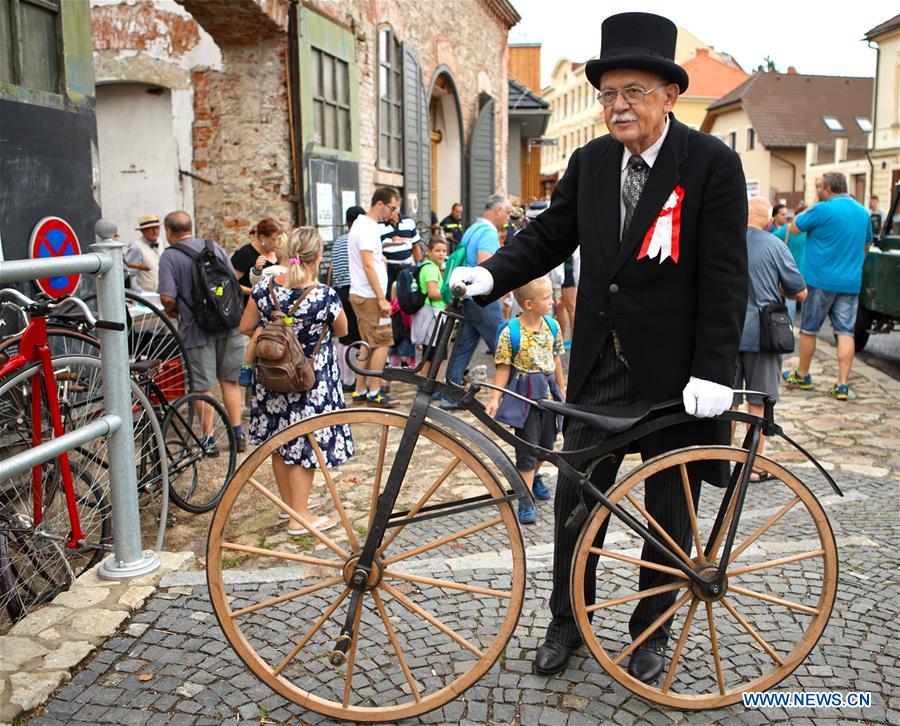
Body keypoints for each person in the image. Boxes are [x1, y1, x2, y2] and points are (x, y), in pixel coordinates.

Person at [450, 12, 747, 682]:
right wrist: (493, 272)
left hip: (675, 377)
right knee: (576, 506)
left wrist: (713, 368)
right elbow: (550, 236)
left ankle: (651, 633)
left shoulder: (711, 166)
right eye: (610, 93)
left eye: (634, 91)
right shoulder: (590, 161)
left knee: (669, 514)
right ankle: (568, 624)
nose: (619, 105)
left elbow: (726, 277)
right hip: (598, 371)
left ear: (670, 95)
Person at [239, 227, 352, 534]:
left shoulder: (264, 290)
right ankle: (300, 518)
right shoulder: (323, 296)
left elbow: (245, 325)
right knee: (305, 444)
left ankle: (290, 506)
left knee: (280, 441)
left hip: (272, 376)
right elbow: (342, 331)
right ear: (317, 257)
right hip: (309, 379)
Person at [157, 211, 248, 452]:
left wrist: (173, 308)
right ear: (191, 227)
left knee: (203, 387)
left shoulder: (170, 257)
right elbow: (232, 282)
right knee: (230, 382)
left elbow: (166, 296)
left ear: (169, 232)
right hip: (229, 325)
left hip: (197, 330)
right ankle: (237, 434)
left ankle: (208, 440)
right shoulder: (213, 247)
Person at [732, 197, 807, 472]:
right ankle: (753, 467)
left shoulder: (725, 241)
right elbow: (798, 291)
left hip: (726, 332)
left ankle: (722, 461)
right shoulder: (776, 245)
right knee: (758, 404)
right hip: (763, 335)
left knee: (727, 402)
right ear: (767, 219)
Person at [783, 172, 872, 400]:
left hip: (819, 280)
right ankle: (842, 384)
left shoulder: (821, 209)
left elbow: (793, 228)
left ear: (827, 188)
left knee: (809, 329)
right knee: (845, 332)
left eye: (819, 186)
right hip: (850, 282)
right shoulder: (863, 212)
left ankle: (802, 375)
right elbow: (866, 245)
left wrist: (813, 202)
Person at [485, 276, 565, 524]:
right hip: (524, 397)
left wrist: (563, 390)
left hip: (549, 394)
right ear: (528, 304)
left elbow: (557, 360)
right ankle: (525, 497)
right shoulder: (511, 332)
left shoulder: (552, 326)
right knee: (527, 449)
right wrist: (495, 398)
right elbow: (502, 368)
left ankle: (534, 476)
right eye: (546, 298)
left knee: (546, 446)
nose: (552, 301)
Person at [440, 194, 513, 411]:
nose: (508, 218)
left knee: (463, 345)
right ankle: (513, 395)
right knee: (502, 346)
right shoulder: (489, 232)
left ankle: (450, 394)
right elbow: (485, 265)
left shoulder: (472, 229)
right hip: (482, 298)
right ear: (498, 210)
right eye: (508, 212)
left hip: (466, 296)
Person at [348, 187, 399, 406]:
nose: (393, 212)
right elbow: (367, 264)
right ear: (380, 204)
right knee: (382, 340)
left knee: (367, 342)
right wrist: (381, 298)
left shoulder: (361, 225)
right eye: (392, 207)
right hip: (369, 295)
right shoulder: (368, 228)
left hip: (363, 293)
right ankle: (374, 390)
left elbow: (370, 262)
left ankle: (360, 390)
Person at [330, 206, 366, 392]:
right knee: (356, 336)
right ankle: (351, 380)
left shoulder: (338, 241)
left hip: (340, 291)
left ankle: (345, 378)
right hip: (355, 289)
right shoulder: (356, 239)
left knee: (345, 336)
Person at [410, 236, 448, 350]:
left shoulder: (432, 267)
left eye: (444, 251)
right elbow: (433, 294)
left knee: (433, 356)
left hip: (434, 314)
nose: (441, 254)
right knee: (432, 357)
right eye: (437, 250)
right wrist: (449, 295)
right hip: (433, 315)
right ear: (429, 251)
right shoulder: (430, 269)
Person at [231, 218, 282, 302]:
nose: (278, 243)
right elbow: (230, 283)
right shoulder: (245, 254)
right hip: (249, 305)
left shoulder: (279, 252)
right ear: (263, 238)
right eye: (275, 239)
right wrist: (255, 292)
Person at [772, 202, 807, 321]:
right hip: (791, 273)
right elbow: (768, 240)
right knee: (790, 308)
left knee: (806, 313)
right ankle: (788, 331)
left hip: (807, 274)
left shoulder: (811, 232)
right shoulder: (787, 229)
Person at [124, 215, 162, 295]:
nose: (155, 231)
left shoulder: (160, 242)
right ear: (143, 231)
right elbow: (130, 275)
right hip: (144, 296)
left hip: (160, 294)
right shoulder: (136, 248)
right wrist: (143, 294)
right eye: (150, 229)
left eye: (157, 228)